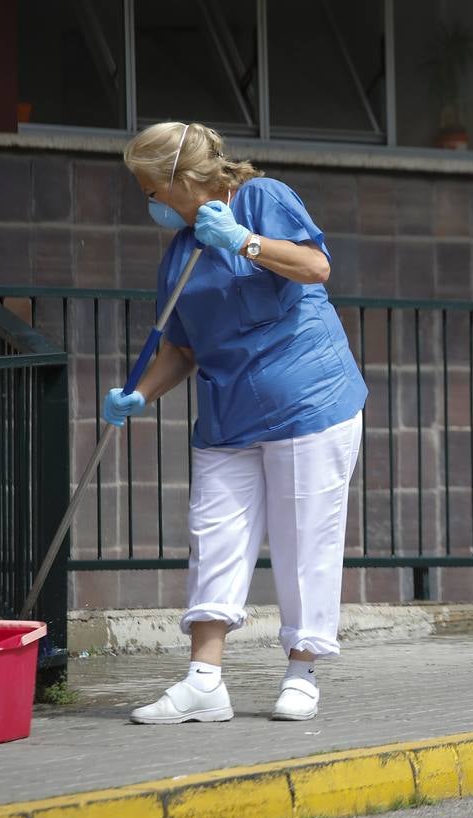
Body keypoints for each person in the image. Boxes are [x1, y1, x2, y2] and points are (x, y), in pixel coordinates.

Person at [108, 121, 367, 724]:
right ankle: (204, 680)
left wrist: (245, 241)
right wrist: (139, 394)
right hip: (227, 416)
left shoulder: (261, 199)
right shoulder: (178, 256)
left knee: (306, 539)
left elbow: (314, 267)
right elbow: (181, 348)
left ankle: (302, 672)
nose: (148, 201)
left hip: (307, 400)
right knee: (213, 537)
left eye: (150, 189)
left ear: (181, 180)